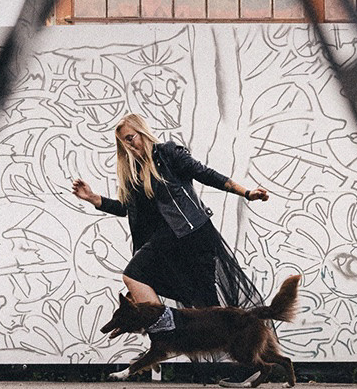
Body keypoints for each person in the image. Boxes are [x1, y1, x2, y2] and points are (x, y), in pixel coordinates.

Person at [71, 113, 269, 326]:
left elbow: (205, 174)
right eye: (122, 143)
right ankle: (164, 327)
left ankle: (241, 344)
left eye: (130, 138)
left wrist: (247, 193)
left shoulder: (168, 153)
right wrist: (92, 198)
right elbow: (125, 208)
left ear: (143, 133)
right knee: (134, 275)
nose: (128, 146)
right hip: (165, 241)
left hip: (192, 235)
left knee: (207, 308)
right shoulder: (133, 172)